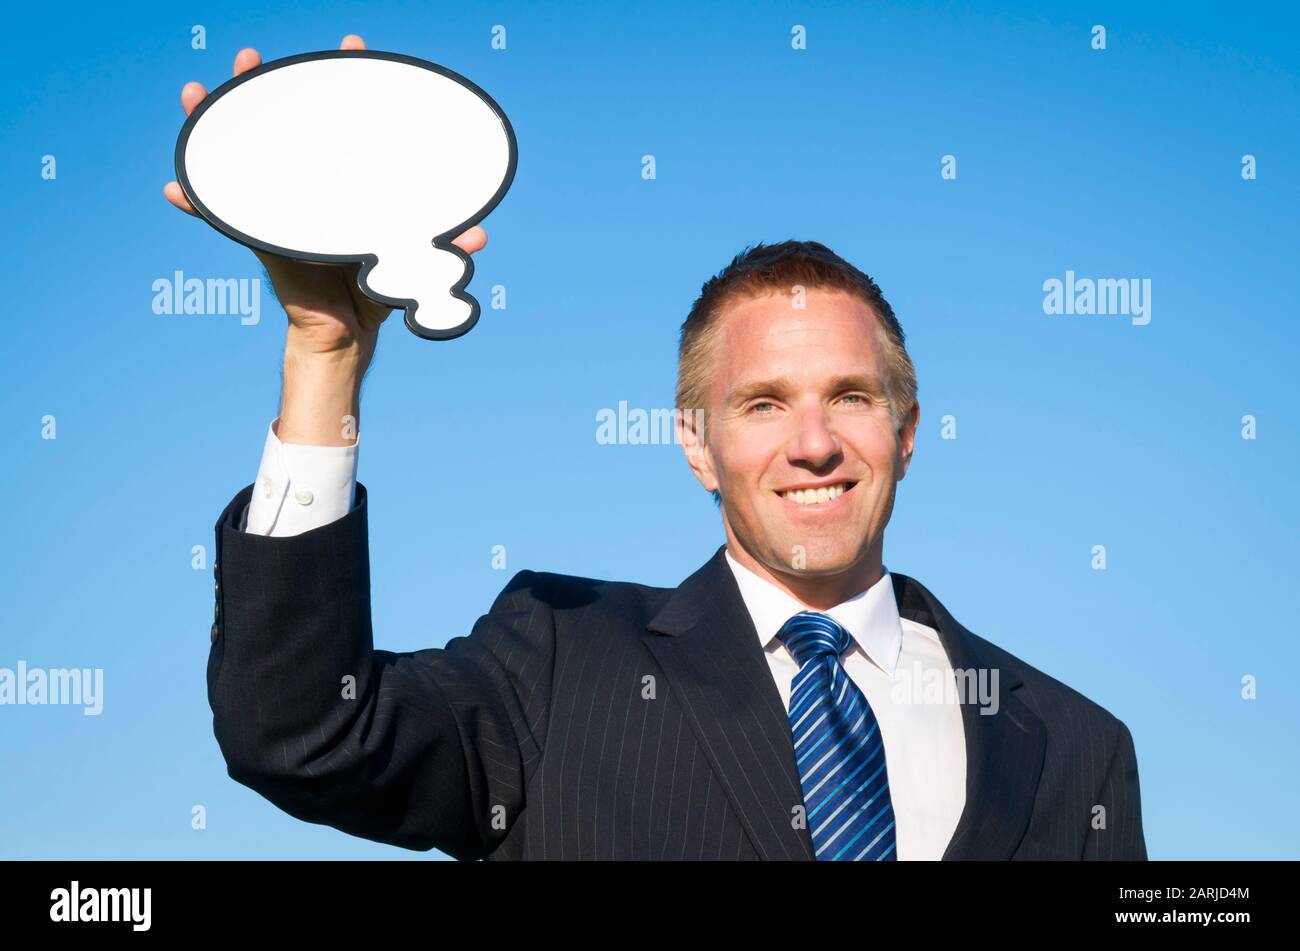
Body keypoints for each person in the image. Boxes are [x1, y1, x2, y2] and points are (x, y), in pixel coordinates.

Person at [168, 35, 1147, 861]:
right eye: (762, 405)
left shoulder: (1073, 746)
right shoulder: (557, 662)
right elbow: (302, 733)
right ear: (695, 442)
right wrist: (324, 356)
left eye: (848, 396)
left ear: (906, 430)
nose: (814, 444)